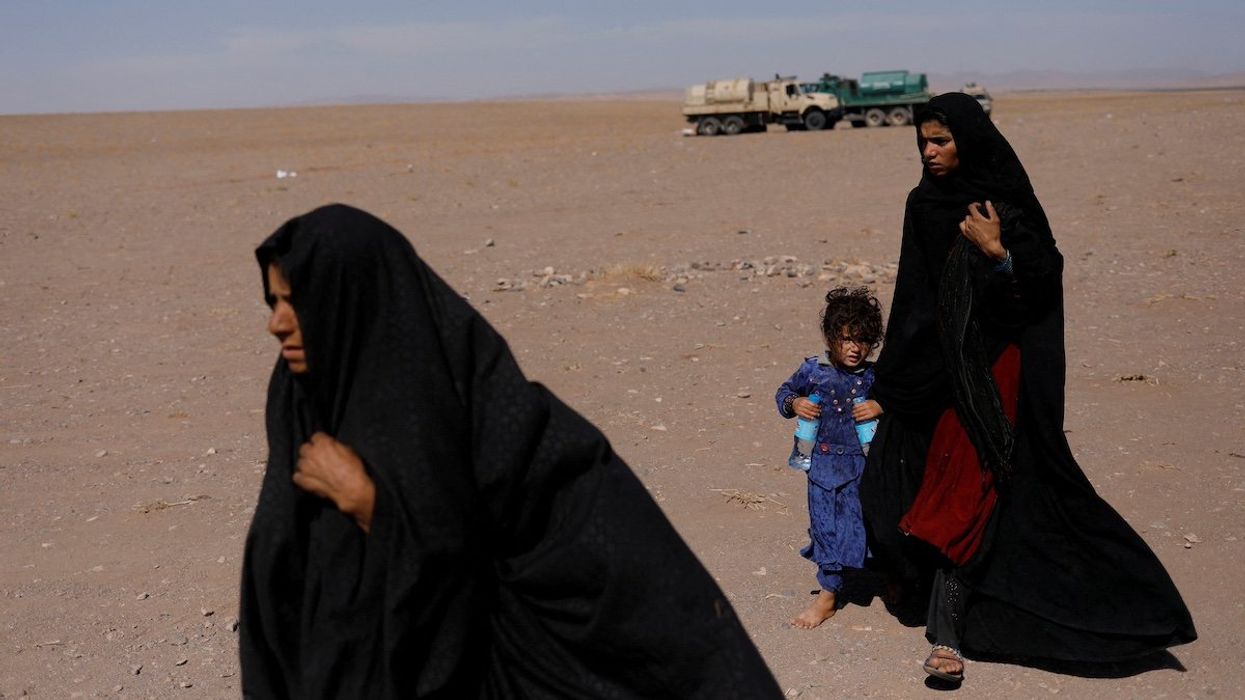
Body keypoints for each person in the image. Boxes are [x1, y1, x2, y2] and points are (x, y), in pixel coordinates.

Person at [239, 204, 783, 698]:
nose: (276, 324)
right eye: (273, 301)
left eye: (295, 302)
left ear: (350, 302)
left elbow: (604, 585)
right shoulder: (301, 403)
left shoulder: (488, 422)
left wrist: (372, 508)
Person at [859, 93, 1196, 683]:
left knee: (971, 490)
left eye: (940, 140)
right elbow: (914, 295)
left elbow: (1040, 287)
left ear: (968, 141)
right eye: (922, 141)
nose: (929, 151)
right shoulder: (923, 203)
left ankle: (949, 633)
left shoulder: (1004, 203)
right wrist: (892, 383)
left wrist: (998, 254)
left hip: (996, 375)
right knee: (895, 488)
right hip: (936, 370)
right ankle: (918, 586)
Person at [774, 287, 884, 630]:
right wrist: (795, 404)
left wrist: (880, 405)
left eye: (863, 340)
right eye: (846, 339)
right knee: (825, 527)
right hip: (822, 467)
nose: (855, 348)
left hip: (864, 466)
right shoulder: (814, 370)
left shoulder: (875, 376)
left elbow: (902, 402)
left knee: (868, 524)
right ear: (831, 337)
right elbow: (783, 393)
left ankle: (889, 579)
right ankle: (828, 595)